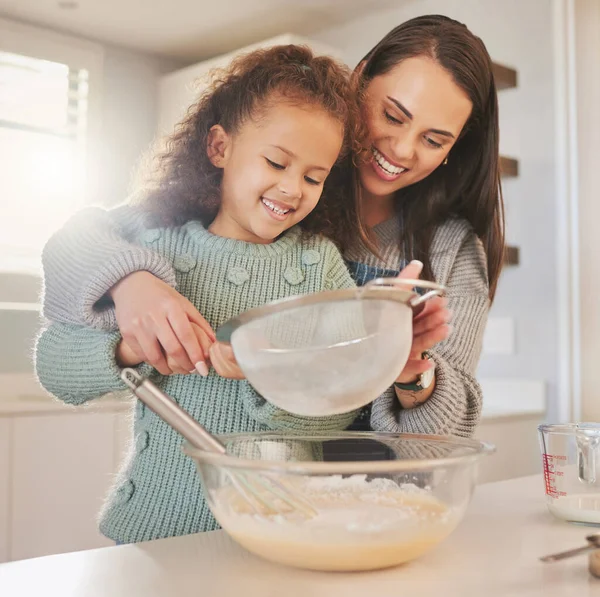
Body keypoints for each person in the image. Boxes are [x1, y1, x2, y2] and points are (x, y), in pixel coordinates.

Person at [39, 14, 502, 440]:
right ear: (359, 81)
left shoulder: (448, 248)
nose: (402, 149)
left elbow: (444, 438)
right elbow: (78, 239)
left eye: (433, 139)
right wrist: (132, 281)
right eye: (392, 115)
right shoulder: (242, 199)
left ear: (452, 151)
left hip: (370, 499)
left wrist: (408, 371)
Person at [35, 45, 408, 544]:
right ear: (220, 147)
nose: (293, 188)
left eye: (314, 176)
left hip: (280, 532)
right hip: (156, 532)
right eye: (277, 162)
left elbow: (338, 407)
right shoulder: (157, 244)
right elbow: (57, 367)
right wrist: (129, 329)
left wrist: (267, 373)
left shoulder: (318, 264)